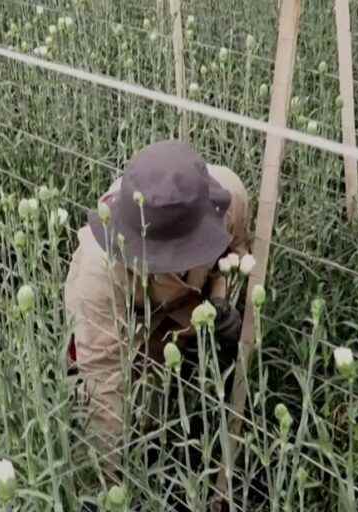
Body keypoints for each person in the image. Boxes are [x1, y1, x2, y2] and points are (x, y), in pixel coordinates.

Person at [63, 140, 251, 508]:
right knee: (114, 408)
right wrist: (112, 488)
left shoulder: (228, 198)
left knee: (164, 395)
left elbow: (236, 250)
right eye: (163, 258)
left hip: (180, 316)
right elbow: (105, 384)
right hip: (122, 318)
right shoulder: (98, 270)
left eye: (181, 253)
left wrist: (220, 297)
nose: (172, 264)